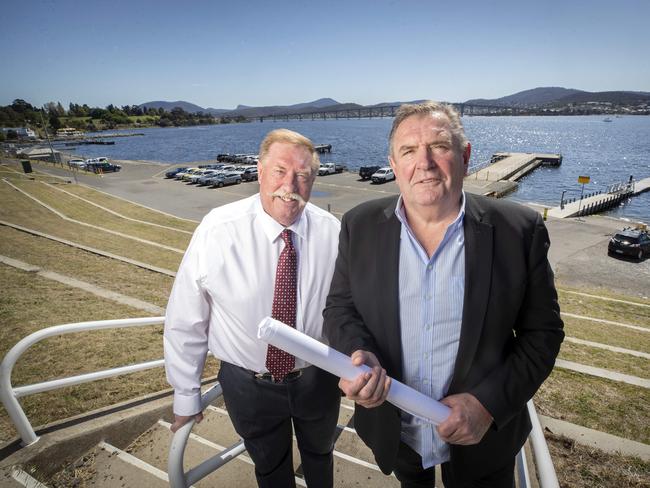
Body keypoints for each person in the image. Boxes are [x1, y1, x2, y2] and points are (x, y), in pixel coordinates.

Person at [323, 101, 564, 487]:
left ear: (465, 156)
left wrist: (487, 405)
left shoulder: (519, 231)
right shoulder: (360, 225)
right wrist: (357, 352)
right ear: (394, 163)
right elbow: (340, 307)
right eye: (408, 151)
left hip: (484, 441)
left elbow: (543, 335)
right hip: (396, 432)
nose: (425, 163)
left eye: (439, 146)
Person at [164, 129, 342, 488]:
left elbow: (348, 308)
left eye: (303, 176)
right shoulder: (218, 229)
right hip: (249, 385)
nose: (290, 185)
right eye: (279, 171)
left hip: (318, 380)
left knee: (321, 454)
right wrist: (186, 395)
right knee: (270, 467)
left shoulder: (333, 232)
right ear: (259, 170)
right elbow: (186, 317)